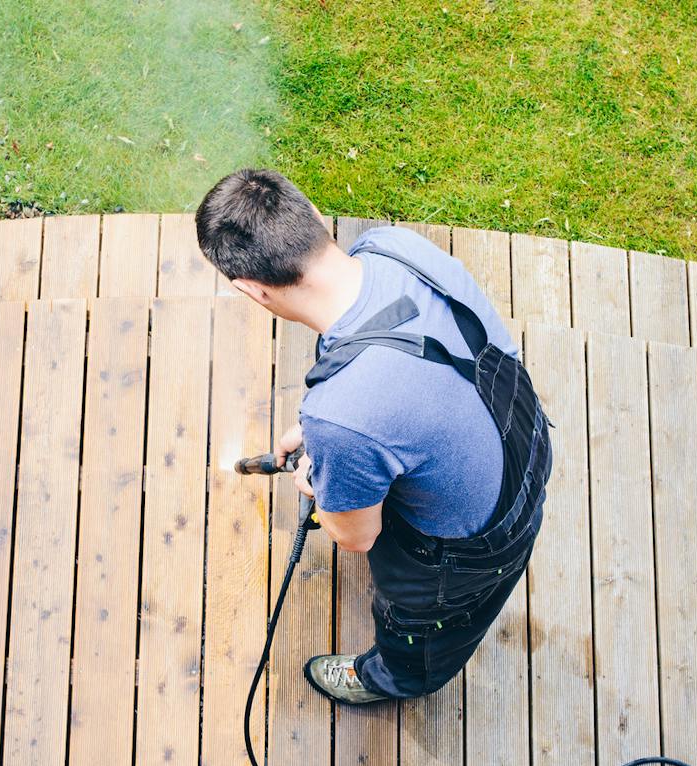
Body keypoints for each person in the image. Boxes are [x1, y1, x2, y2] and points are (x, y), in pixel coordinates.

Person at [195, 168, 552, 704]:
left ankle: (394, 678)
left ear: (251, 290)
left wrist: (325, 473)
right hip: (522, 440)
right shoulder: (393, 248)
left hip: (476, 548)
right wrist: (335, 431)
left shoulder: (342, 417)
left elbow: (356, 537)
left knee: (422, 628)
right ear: (313, 213)